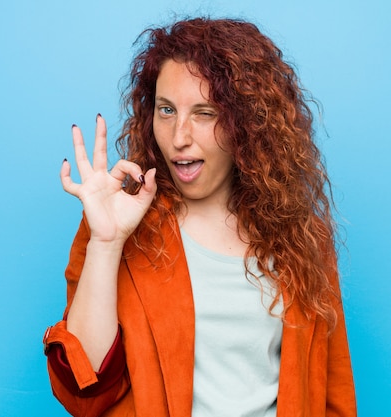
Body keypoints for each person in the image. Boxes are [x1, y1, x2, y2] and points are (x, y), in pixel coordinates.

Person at [43, 17, 357, 417]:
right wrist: (107, 243)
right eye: (167, 110)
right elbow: (83, 392)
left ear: (247, 122)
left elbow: (332, 396)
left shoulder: (301, 237)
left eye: (205, 113)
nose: (179, 137)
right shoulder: (117, 225)